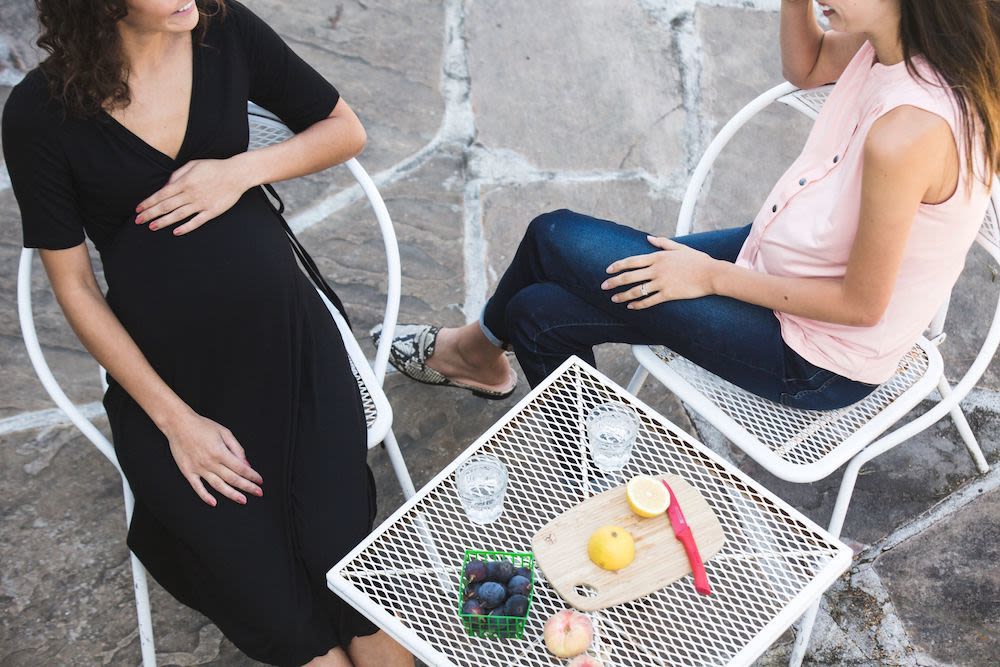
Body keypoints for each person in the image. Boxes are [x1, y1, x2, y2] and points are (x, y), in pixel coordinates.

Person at [2, 1, 413, 665]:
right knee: (280, 609)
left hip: (291, 349)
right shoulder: (37, 113)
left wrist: (240, 169)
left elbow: (344, 129)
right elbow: (73, 286)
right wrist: (175, 421)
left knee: (344, 568)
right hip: (172, 384)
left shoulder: (221, 27)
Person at [377, 0, 999, 411]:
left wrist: (708, 276)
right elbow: (806, 65)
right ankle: (600, 467)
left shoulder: (910, 132)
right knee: (539, 312)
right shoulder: (890, 43)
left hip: (818, 357)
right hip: (784, 261)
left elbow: (863, 306)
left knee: (552, 235)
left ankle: (474, 350)